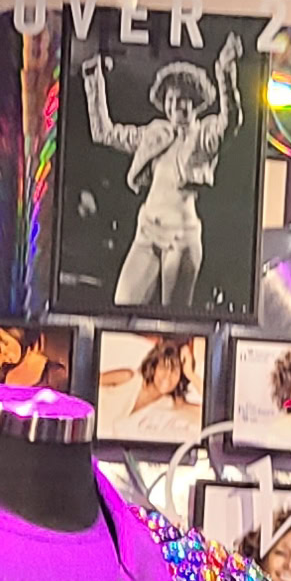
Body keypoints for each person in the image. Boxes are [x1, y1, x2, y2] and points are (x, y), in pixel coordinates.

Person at [79, 37, 241, 307]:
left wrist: (224, 72)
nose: (175, 105)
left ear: (196, 102)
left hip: (181, 238)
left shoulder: (205, 135)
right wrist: (93, 76)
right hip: (147, 232)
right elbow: (103, 133)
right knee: (123, 305)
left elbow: (230, 119)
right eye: (170, 99)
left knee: (171, 318)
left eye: (182, 100)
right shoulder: (156, 133)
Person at [98, 331, 205, 443]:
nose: (167, 376)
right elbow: (88, 380)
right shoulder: (128, 377)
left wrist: (190, 374)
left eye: (174, 371)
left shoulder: (169, 402)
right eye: (163, 367)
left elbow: (208, 412)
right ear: (153, 367)